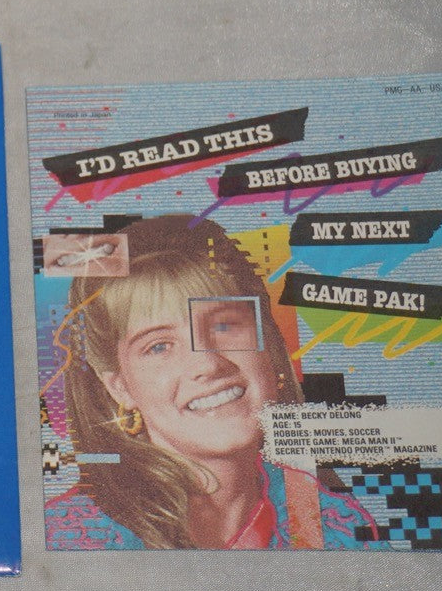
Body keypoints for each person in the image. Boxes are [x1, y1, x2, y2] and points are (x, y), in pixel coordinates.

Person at [45, 214, 384, 549]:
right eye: (159, 346)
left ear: (267, 344)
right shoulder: (74, 537)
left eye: (224, 325)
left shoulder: (333, 524)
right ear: (119, 387)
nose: (208, 363)